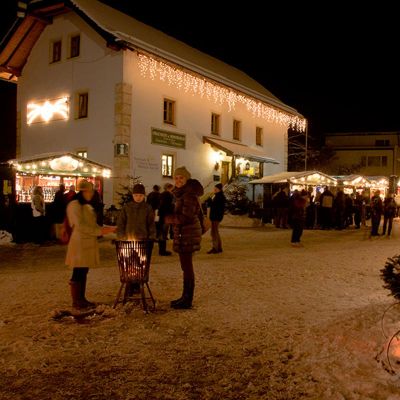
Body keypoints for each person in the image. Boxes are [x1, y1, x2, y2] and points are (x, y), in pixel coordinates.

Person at [65, 180, 114, 309]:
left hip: (87, 244)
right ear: (83, 192)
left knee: (83, 271)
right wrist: (99, 231)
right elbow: (80, 226)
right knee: (78, 271)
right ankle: (77, 301)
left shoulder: (87, 206)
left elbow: (92, 225)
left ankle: (82, 298)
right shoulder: (74, 205)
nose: (91, 194)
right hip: (80, 244)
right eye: (90, 191)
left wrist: (108, 229)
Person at [165, 166, 204, 309]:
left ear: (186, 179)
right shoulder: (181, 194)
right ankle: (184, 296)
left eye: (181, 177)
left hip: (188, 234)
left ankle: (187, 299)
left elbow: (186, 217)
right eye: (176, 178)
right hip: (185, 234)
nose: (178, 180)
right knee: (185, 266)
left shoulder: (188, 195)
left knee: (187, 267)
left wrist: (169, 219)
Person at [117, 183, 157, 294]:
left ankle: (138, 284)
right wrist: (122, 236)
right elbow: (121, 223)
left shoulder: (147, 208)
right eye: (136, 195)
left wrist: (152, 236)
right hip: (128, 240)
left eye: (140, 195)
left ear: (144, 196)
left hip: (143, 240)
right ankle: (130, 285)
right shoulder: (127, 207)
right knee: (129, 263)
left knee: (140, 263)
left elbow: (151, 224)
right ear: (133, 196)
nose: (138, 197)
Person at [206, 183, 226, 254]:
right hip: (216, 216)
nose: (214, 190)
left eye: (215, 189)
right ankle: (219, 247)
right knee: (215, 232)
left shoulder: (219, 197)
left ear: (219, 189)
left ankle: (215, 248)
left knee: (214, 233)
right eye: (214, 189)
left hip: (216, 217)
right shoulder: (218, 196)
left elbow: (216, 207)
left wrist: (210, 202)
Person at [158, 183, 174, 256]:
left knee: (162, 232)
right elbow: (169, 206)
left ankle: (161, 249)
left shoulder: (162, 195)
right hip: (166, 215)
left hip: (162, 215)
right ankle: (162, 251)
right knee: (163, 233)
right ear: (169, 188)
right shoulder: (168, 195)